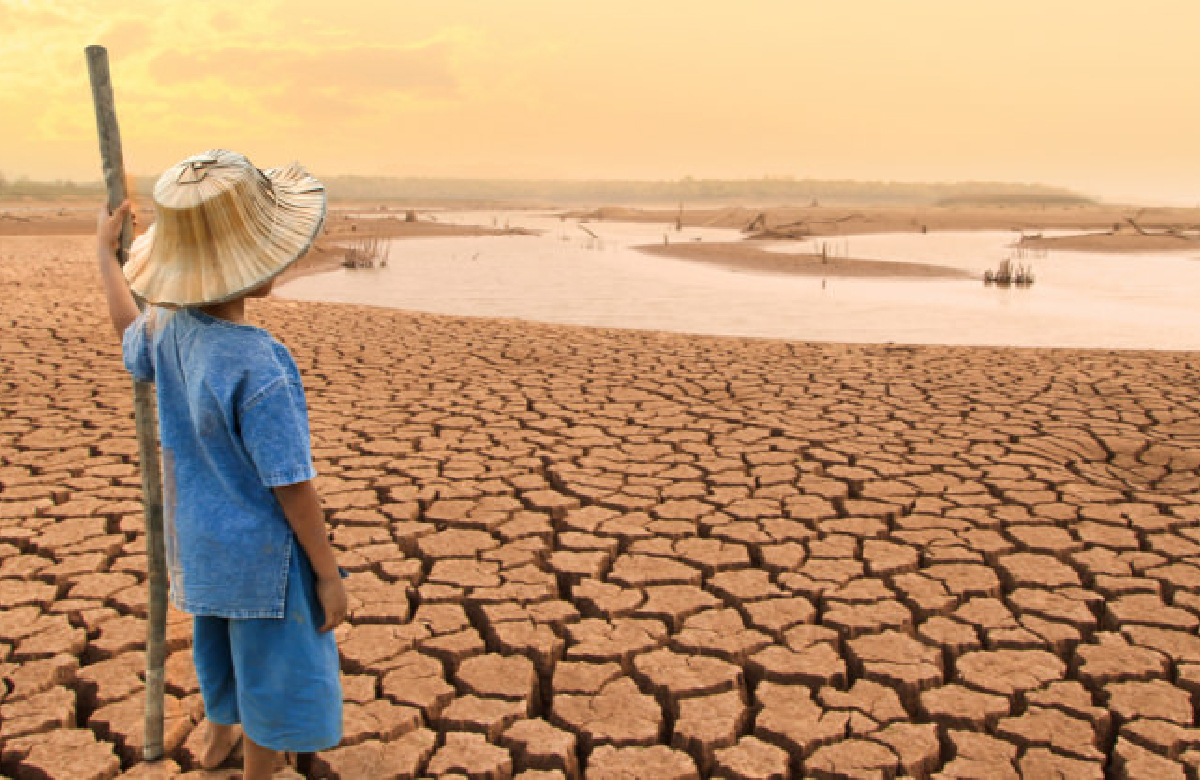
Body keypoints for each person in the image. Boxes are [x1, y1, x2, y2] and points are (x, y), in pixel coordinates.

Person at [96, 150, 347, 779]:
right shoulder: (260, 365)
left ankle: (215, 742)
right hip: (264, 561)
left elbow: (131, 334)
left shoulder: (169, 326)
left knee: (223, 659)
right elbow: (291, 484)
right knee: (271, 682)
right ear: (260, 265)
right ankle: (257, 771)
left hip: (199, 546)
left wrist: (106, 258)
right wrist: (328, 573)